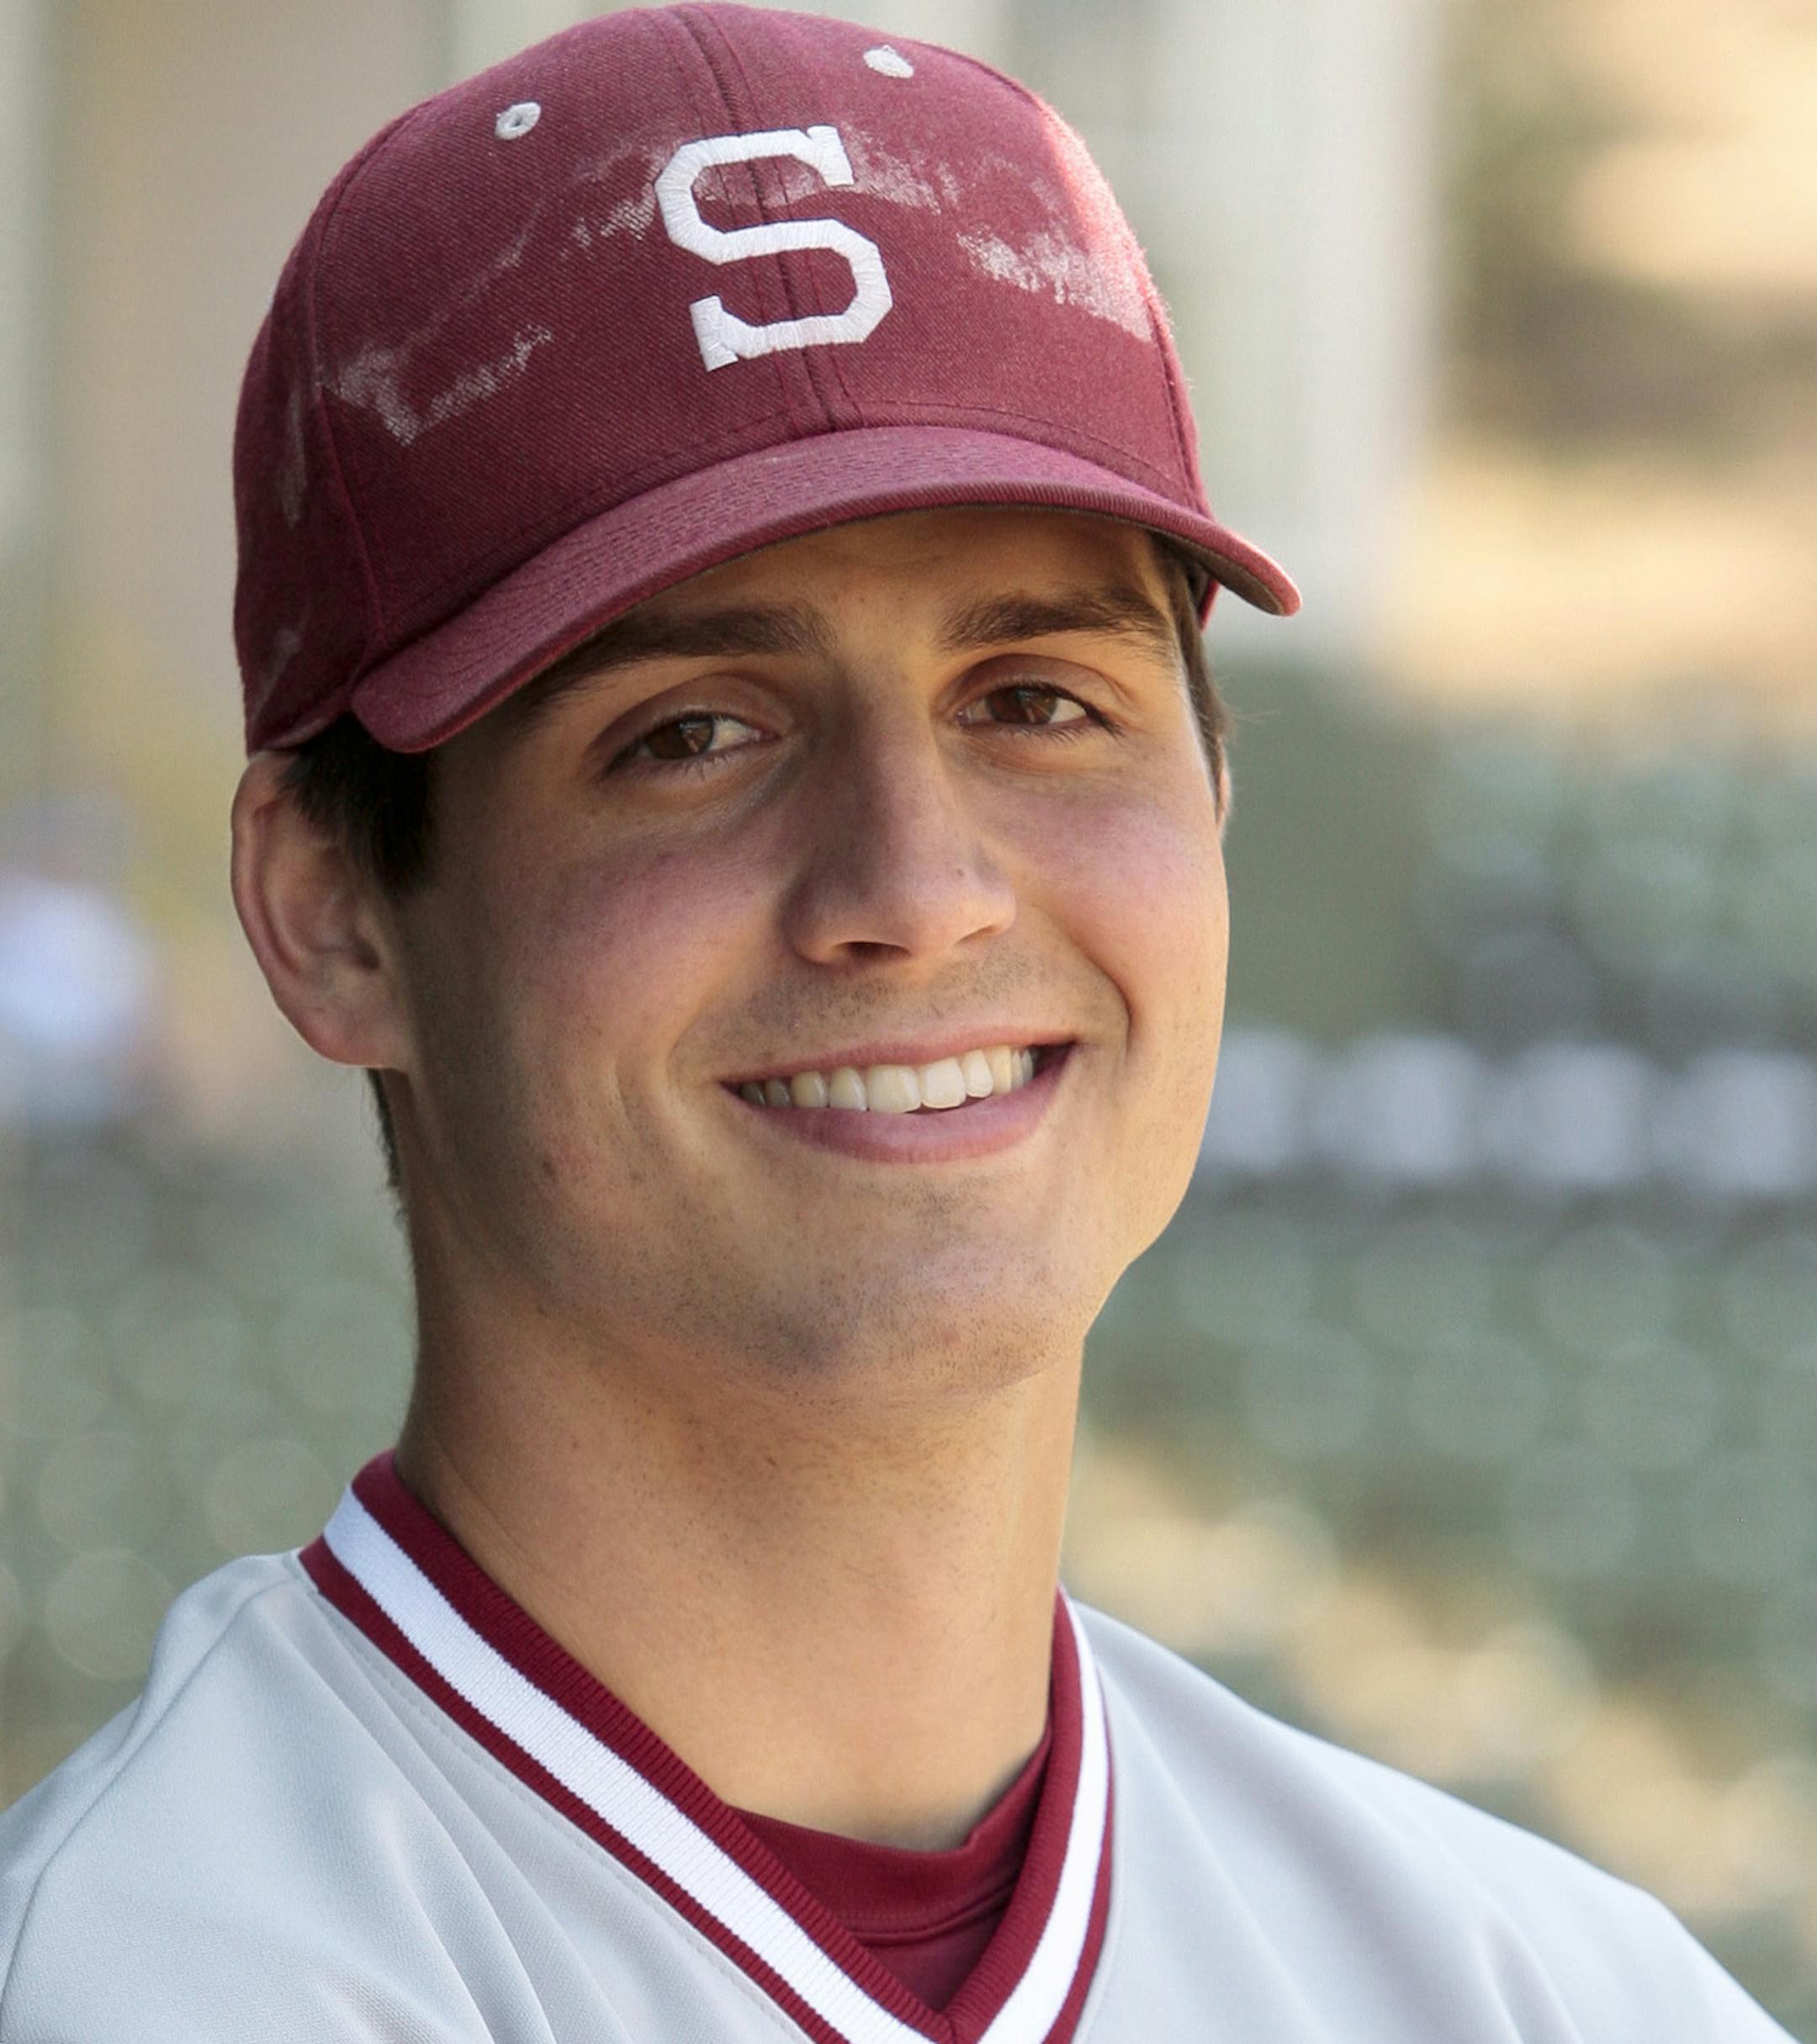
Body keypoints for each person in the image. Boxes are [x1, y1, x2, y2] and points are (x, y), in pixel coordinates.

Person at [0, 7, 1793, 2039]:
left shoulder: (1553, 1993)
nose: (918, 889)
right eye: (690, 736)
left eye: (1038, 699)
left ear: (1214, 789)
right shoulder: (145, 1976)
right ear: (333, 915)